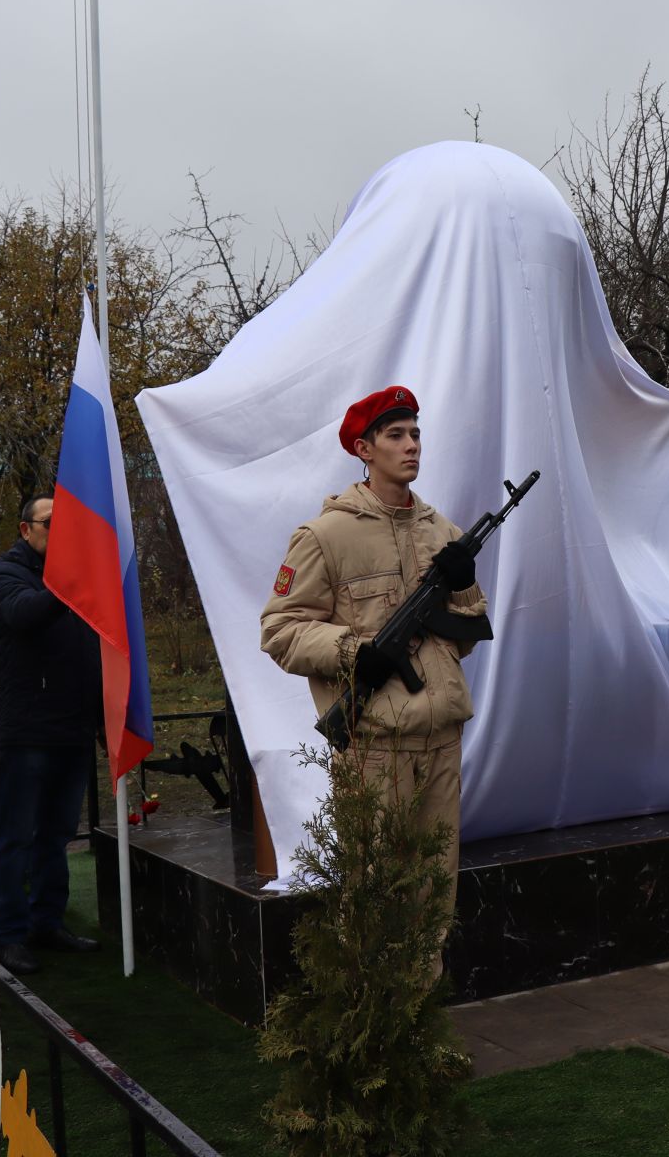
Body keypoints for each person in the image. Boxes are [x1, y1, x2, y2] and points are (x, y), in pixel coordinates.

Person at [260, 386, 489, 953]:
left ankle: (417, 1017)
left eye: (415, 434)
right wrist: (354, 651)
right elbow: (280, 630)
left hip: (442, 738)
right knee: (377, 890)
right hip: (375, 746)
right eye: (396, 435)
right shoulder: (325, 536)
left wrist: (459, 584)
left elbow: (468, 631)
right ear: (363, 448)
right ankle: (377, 1018)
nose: (411, 445)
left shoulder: (443, 532)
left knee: (435, 891)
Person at [0, 494, 103, 977]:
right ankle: (9, 936)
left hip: (72, 726)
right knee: (16, 837)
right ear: (26, 529)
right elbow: (25, 615)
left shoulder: (77, 577)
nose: (60, 533)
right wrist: (69, 582)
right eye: (51, 524)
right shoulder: (7, 575)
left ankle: (46, 922)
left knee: (56, 835)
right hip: (29, 729)